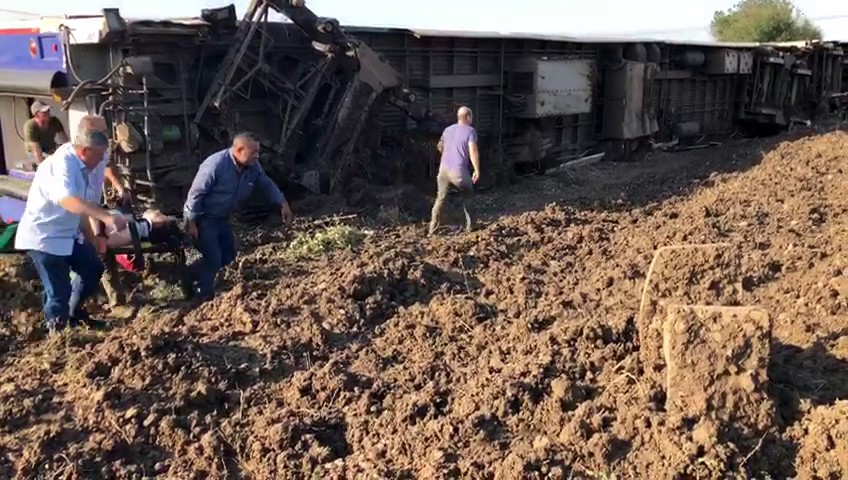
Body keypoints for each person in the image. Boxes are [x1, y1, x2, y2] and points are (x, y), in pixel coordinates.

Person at [14, 126, 129, 334]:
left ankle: (74, 315)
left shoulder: (83, 165)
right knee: (58, 290)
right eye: (99, 155)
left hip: (67, 234)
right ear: (85, 151)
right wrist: (106, 217)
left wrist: (92, 237)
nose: (102, 160)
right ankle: (58, 336)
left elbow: (80, 208)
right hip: (45, 236)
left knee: (92, 268)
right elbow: (69, 201)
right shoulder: (64, 164)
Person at [183, 132, 294, 300]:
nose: (257, 156)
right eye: (253, 152)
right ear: (240, 150)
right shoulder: (215, 165)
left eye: (258, 151)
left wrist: (282, 203)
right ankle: (201, 296)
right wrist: (191, 223)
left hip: (223, 218)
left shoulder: (253, 167)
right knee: (213, 258)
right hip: (203, 218)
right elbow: (195, 195)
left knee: (228, 256)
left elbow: (265, 183)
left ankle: (187, 275)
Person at [428, 106, 481, 235]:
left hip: (444, 170)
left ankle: (432, 229)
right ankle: (471, 226)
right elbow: (473, 151)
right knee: (468, 195)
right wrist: (476, 169)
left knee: (440, 198)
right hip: (459, 172)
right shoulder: (470, 131)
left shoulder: (447, 130)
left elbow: (440, 147)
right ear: (468, 117)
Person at [24, 100, 69, 167]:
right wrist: (43, 165)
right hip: (34, 153)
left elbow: (64, 139)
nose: (48, 113)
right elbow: (35, 148)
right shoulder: (30, 125)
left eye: (48, 111)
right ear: (36, 114)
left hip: (50, 148)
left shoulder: (54, 121)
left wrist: (67, 151)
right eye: (44, 112)